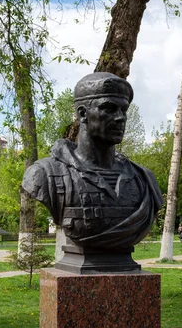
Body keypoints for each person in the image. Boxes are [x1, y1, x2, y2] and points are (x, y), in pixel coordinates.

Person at [21, 72, 163, 251]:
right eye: (109, 109)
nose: (121, 118)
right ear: (83, 114)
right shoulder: (44, 174)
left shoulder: (143, 179)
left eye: (123, 110)